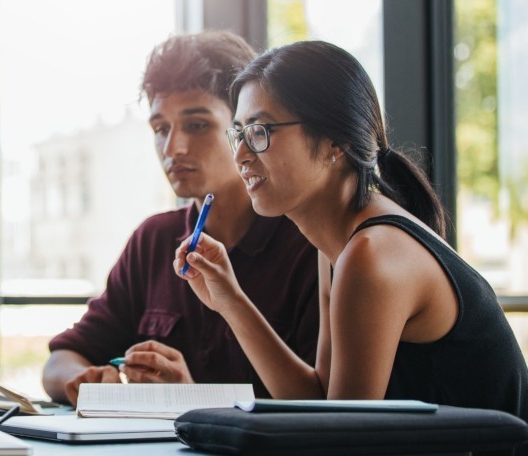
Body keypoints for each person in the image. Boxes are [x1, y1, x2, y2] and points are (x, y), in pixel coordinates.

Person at [177, 40, 528, 420]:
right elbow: (320, 399)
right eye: (239, 133)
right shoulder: (340, 246)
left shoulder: (371, 253)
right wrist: (230, 299)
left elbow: (339, 436)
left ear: (335, 143)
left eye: (260, 131)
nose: (241, 155)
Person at [42, 32, 320, 406]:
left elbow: (319, 406)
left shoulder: (308, 245)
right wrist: (84, 381)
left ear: (247, 126)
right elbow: (61, 360)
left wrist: (191, 400)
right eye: (161, 129)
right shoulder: (154, 240)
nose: (173, 148)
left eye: (198, 124)